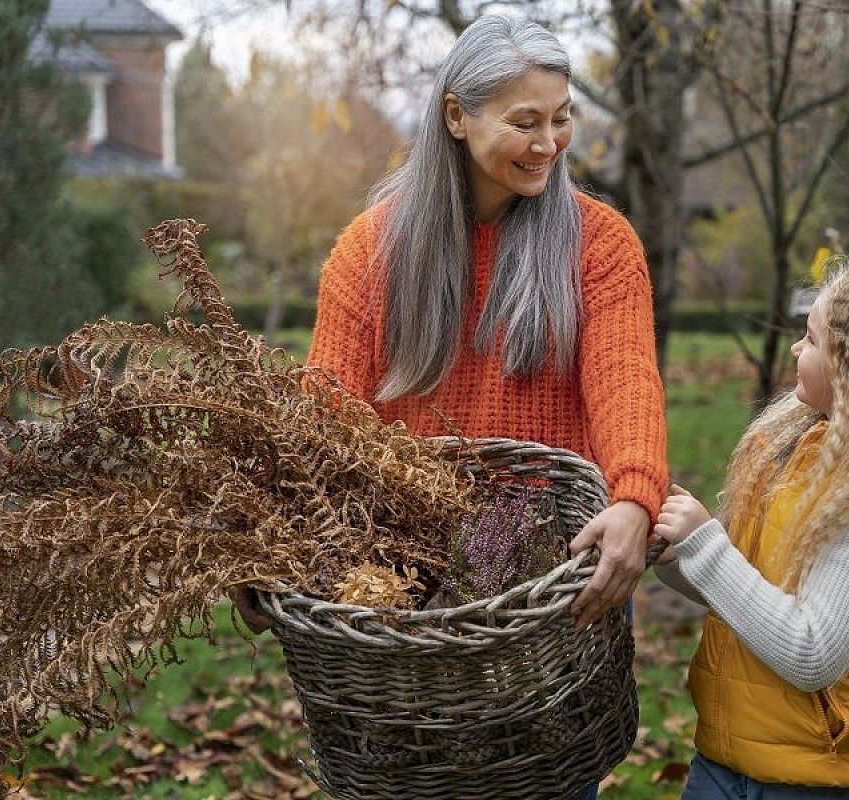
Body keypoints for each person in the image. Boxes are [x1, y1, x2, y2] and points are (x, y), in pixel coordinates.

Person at [234, 15, 667, 795]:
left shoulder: (599, 246)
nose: (550, 143)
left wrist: (635, 497)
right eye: (525, 122)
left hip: (551, 588)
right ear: (456, 116)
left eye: (563, 117)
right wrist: (275, 538)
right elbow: (321, 423)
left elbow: (626, 380)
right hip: (410, 603)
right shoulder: (371, 252)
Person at [652, 264, 849, 799]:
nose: (797, 351)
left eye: (811, 339)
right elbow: (751, 596)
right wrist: (678, 553)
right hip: (731, 756)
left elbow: (812, 654)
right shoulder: (804, 454)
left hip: (825, 777)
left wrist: (706, 548)